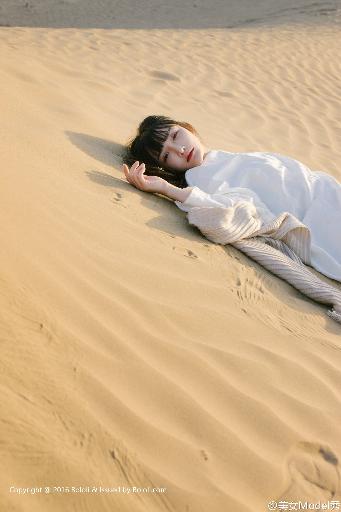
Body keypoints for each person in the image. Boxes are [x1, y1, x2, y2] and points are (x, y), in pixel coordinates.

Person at [122, 115, 341, 282]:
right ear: (166, 167)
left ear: (187, 127)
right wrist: (166, 188)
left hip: (326, 192)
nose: (180, 149)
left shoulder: (217, 158)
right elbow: (222, 209)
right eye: (167, 155)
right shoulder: (200, 177)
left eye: (176, 135)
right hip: (318, 219)